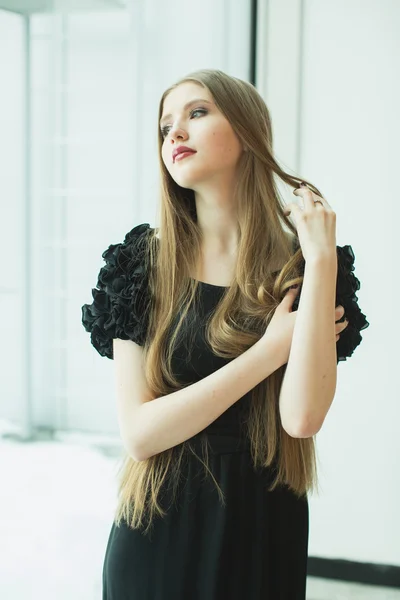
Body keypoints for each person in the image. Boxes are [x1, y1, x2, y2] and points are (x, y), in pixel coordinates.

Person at [81, 69, 369, 599]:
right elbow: (140, 434)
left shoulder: (303, 268)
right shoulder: (140, 264)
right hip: (158, 527)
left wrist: (322, 258)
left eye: (196, 113)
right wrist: (270, 351)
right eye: (165, 125)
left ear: (247, 131)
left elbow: (301, 419)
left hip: (263, 526)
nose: (175, 134)